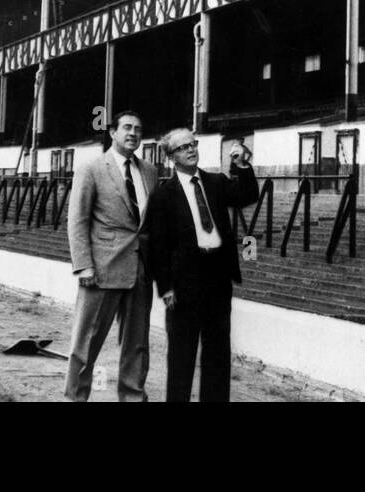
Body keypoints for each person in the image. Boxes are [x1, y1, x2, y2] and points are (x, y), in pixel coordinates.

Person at [146, 128, 258, 403]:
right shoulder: (163, 195)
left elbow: (247, 195)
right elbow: (157, 246)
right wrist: (165, 288)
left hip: (217, 276)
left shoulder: (216, 182)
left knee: (218, 352)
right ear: (171, 156)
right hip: (184, 282)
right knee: (182, 354)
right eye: (183, 147)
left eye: (193, 144)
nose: (191, 150)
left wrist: (242, 164)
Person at [65, 110, 158, 402]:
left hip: (140, 271)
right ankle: (75, 397)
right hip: (101, 270)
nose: (133, 133)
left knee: (137, 344)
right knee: (87, 343)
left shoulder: (150, 171)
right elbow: (77, 219)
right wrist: (83, 266)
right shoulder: (92, 168)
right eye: (127, 128)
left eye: (139, 129)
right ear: (113, 132)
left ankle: (132, 396)